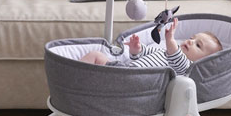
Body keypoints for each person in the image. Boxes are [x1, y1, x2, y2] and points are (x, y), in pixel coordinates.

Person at [80, 18, 223, 75]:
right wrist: (136, 49)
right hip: (124, 71)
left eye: (198, 45)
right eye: (192, 38)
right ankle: (77, 78)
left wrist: (170, 39)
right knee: (96, 56)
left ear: (202, 62)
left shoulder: (186, 67)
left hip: (137, 80)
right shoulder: (162, 50)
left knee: (95, 56)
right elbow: (141, 54)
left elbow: (175, 55)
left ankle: (76, 79)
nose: (191, 41)